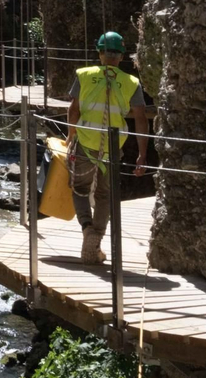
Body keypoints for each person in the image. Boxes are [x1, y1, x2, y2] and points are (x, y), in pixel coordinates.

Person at [63, 32, 150, 265]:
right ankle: (96, 238)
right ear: (122, 56)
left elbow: (74, 110)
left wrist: (70, 135)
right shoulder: (132, 83)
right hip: (112, 147)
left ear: (99, 53)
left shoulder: (84, 75)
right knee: (105, 195)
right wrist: (142, 154)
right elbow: (140, 119)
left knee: (79, 189)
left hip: (85, 143)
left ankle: (86, 228)